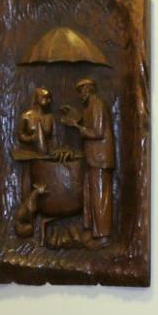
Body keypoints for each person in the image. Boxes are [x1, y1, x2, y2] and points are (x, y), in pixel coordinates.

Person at [60, 77, 114, 242]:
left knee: (100, 196)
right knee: (93, 195)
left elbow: (97, 132)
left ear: (89, 89)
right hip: (93, 157)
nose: (79, 94)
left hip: (100, 157)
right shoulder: (89, 106)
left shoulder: (97, 104)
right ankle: (94, 232)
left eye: (81, 90)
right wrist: (75, 116)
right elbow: (88, 124)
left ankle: (103, 235)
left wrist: (76, 127)